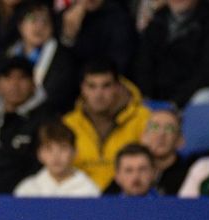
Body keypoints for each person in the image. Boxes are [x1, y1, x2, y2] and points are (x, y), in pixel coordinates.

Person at [63, 59, 150, 191]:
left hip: (128, 201)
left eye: (106, 86)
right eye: (92, 86)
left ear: (117, 87)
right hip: (79, 201)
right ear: (82, 89)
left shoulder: (144, 119)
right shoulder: (67, 124)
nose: (99, 94)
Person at [0, 55, 48, 193]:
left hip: (30, 199)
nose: (15, 84)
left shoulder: (46, 122)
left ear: (33, 84)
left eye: (22, 77)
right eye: (8, 77)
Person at [132, 0, 209, 107]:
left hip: (192, 101)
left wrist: (176, 102)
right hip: (155, 100)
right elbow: (143, 64)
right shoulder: (157, 19)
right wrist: (146, 95)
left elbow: (207, 72)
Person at [5, 1, 80, 116]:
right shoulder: (9, 53)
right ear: (20, 25)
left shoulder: (63, 59)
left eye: (45, 21)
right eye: (33, 19)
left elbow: (56, 96)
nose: (39, 26)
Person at [13, 118, 100, 197]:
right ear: (39, 154)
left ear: (75, 152)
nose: (56, 156)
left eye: (63, 148)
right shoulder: (27, 190)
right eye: (48, 148)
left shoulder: (89, 190)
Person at [140, 107, 189, 195]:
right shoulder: (130, 170)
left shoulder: (189, 175)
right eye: (154, 127)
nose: (161, 134)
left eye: (169, 128)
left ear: (180, 141)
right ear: (143, 137)